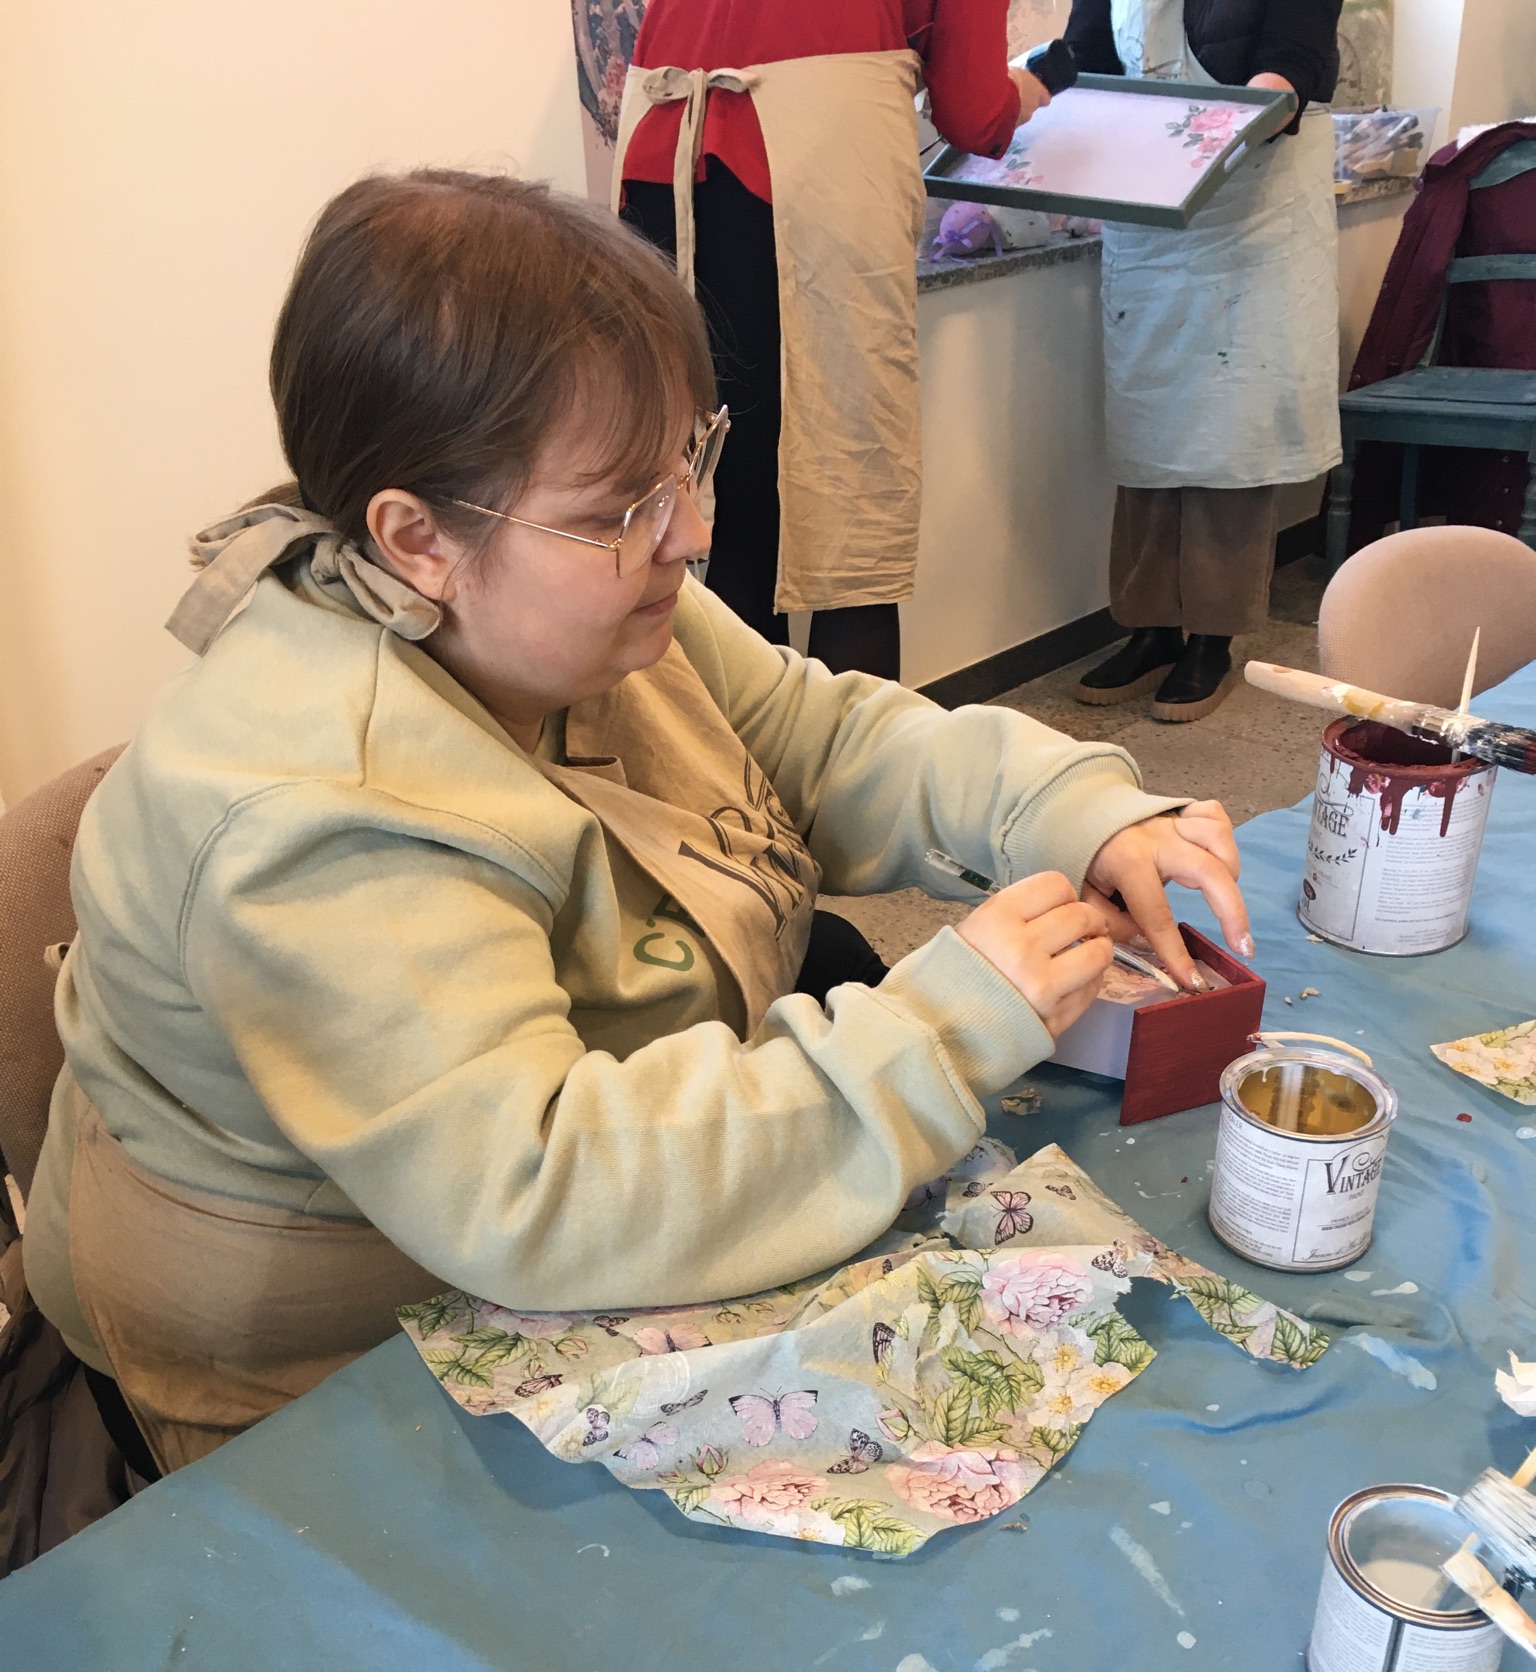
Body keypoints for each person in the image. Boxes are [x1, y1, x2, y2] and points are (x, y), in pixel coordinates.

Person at [23, 171, 1251, 1477]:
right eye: (620, 506)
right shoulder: (309, 819)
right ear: (415, 538)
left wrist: (1074, 808)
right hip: (321, 1357)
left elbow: (819, 739)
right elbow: (540, 1189)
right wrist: (939, 1034)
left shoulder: (556, 600)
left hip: (529, 1221)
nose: (691, 531)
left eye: (687, 458)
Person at [617, 0, 1045, 681]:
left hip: (662, 162)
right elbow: (973, 111)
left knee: (726, 503)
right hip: (805, 168)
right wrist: (1030, 89)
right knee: (853, 503)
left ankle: (725, 743)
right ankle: (848, 749)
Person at [1066, 0, 1343, 720]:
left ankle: (1212, 639)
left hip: (1253, 208)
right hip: (1148, 212)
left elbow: (1294, 60)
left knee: (1230, 434)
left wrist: (1244, 114)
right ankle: (1151, 628)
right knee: (1148, 425)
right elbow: (1085, 58)